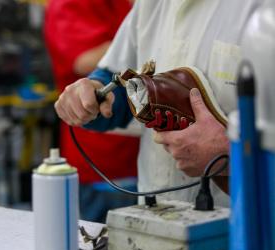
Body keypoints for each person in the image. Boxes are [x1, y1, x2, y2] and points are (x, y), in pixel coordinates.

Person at [54, 0, 259, 206]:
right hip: (154, 215)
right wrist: (93, 94)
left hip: (243, 224)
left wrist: (231, 153)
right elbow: (120, 80)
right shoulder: (151, 4)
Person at [45, 0, 139, 222]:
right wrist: (145, 36)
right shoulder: (70, 4)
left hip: (143, 155)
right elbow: (83, 61)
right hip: (103, 164)